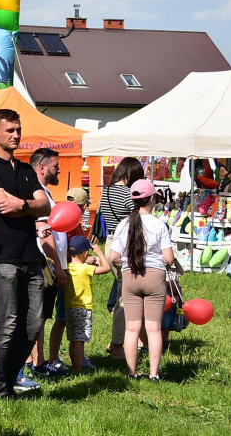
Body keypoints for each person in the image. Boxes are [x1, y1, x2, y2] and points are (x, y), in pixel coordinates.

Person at [0, 109, 51, 399]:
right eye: (9, 130)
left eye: (18, 130)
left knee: (33, 325)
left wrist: (25, 205)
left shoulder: (27, 170)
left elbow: (46, 207)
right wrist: (30, 205)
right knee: (5, 325)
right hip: (1, 256)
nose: (16, 135)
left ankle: (7, 377)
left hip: (31, 255)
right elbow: (2, 203)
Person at [108, 179, 174, 381]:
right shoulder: (159, 224)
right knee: (153, 328)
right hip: (154, 276)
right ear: (152, 198)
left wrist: (128, 262)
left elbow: (113, 257)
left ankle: (131, 372)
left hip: (130, 276)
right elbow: (169, 258)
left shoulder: (124, 224)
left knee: (131, 328)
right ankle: (154, 374)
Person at [98, 157, 145, 359]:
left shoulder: (106, 192)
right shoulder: (128, 195)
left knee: (123, 294)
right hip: (125, 244)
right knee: (124, 299)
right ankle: (117, 344)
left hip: (110, 243)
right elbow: (137, 220)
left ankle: (124, 339)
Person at [28, 148, 69, 378]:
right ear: (42, 168)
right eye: (55, 166)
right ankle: (38, 362)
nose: (59, 170)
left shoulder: (44, 193)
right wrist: (58, 267)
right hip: (44, 264)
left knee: (40, 316)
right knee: (39, 317)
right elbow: (44, 234)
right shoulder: (39, 195)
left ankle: (32, 360)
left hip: (49, 263)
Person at [64, 235, 111, 371]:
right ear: (85, 253)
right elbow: (106, 268)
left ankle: (74, 365)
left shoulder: (67, 268)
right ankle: (78, 368)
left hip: (69, 308)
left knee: (73, 340)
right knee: (80, 340)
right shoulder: (86, 269)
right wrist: (100, 253)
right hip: (83, 309)